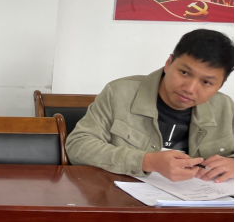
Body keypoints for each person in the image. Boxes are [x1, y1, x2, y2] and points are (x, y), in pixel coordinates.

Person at [66, 29, 234, 183]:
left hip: (199, 203)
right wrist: (147, 161)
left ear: (220, 84)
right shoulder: (119, 93)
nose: (189, 88)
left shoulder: (225, 107)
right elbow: (78, 146)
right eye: (184, 73)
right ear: (168, 63)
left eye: (206, 82)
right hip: (123, 199)